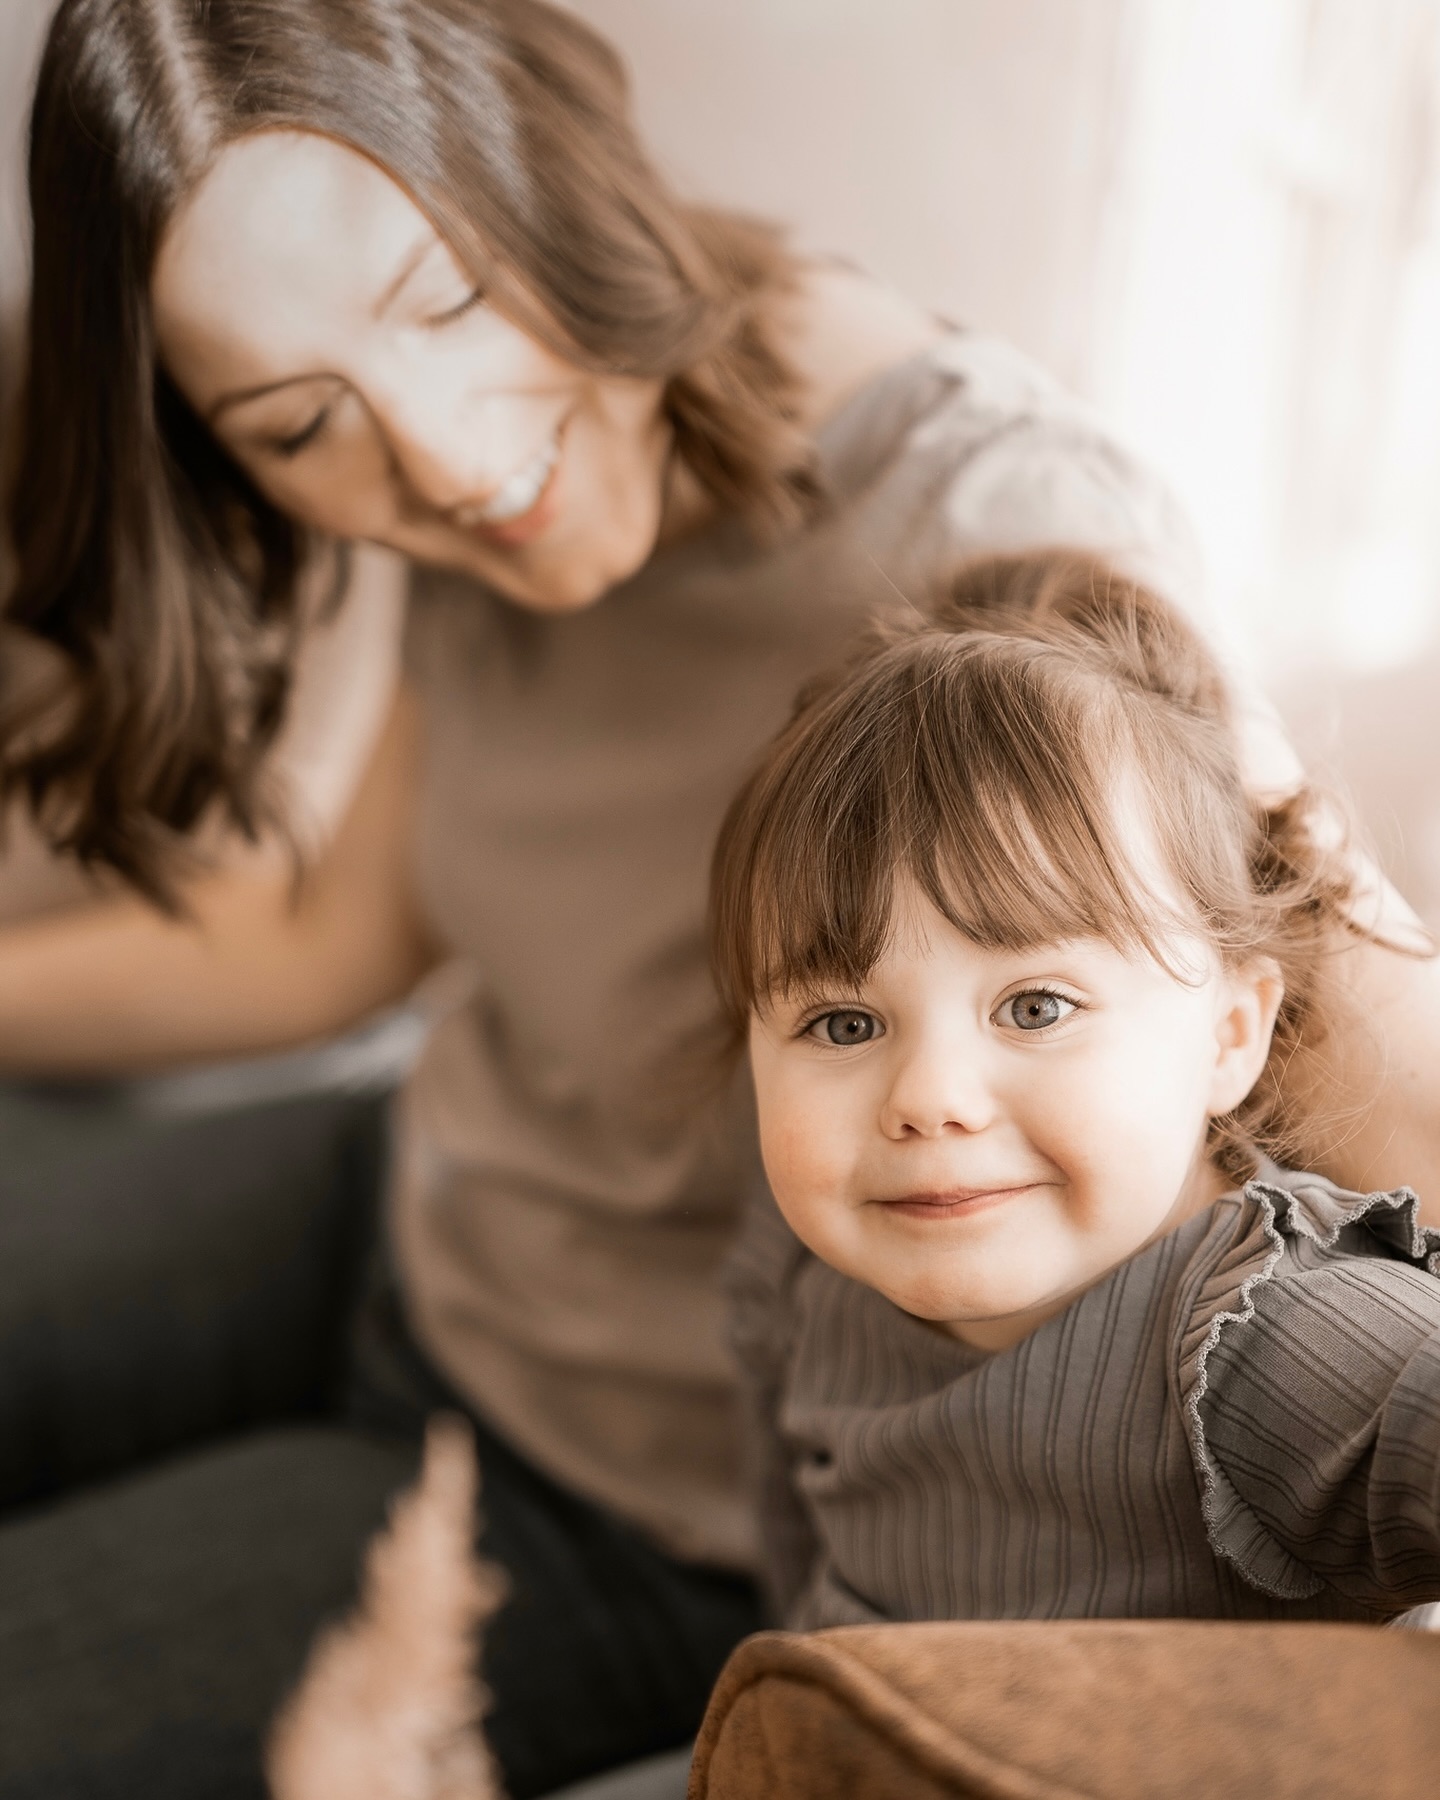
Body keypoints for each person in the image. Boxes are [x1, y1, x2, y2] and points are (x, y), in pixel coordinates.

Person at [1, 0, 1439, 1794]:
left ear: (558, 175)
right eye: (299, 425)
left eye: (447, 303)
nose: (440, 459)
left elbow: (1322, 967)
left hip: (621, 1485)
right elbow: (350, 927)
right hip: (418, 1199)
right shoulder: (482, 486)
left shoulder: (1003, 529)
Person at [714, 550, 1440, 1631]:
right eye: (845, 1023)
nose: (932, 1100)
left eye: (1037, 1007)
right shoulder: (810, 1277)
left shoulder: (1272, 1335)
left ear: (1230, 1035)